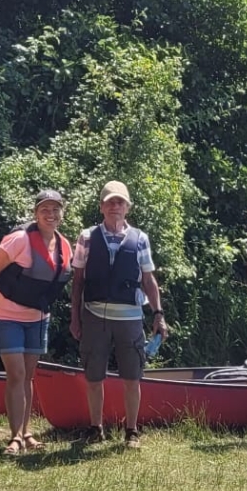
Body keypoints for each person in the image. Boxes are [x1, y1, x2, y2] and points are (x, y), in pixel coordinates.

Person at [68, 181, 169, 446]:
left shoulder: (140, 238)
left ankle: (131, 431)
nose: (115, 206)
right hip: (94, 315)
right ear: (101, 207)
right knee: (93, 376)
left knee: (132, 376)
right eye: (110, 202)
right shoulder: (87, 237)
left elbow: (148, 280)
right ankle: (95, 427)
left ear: (128, 207)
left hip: (130, 318)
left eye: (120, 202)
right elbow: (78, 281)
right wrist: (74, 317)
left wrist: (159, 314)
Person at [0, 189, 72, 456]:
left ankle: (27, 432)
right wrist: (1, 294)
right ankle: (15, 437)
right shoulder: (19, 239)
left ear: (62, 214)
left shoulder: (64, 245)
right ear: (35, 213)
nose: (50, 214)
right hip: (6, 315)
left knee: (28, 377)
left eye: (55, 209)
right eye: (44, 209)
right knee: (16, 374)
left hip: (38, 318)